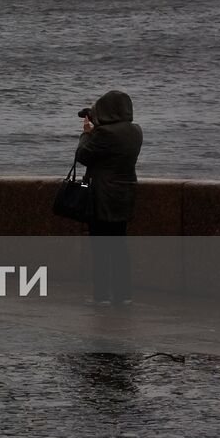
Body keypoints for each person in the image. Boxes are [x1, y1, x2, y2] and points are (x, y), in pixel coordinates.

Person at [76, 89, 143, 305]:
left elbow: (83, 155)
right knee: (120, 246)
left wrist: (87, 132)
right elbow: (110, 152)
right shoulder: (136, 131)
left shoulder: (103, 135)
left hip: (102, 195)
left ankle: (102, 295)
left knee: (101, 247)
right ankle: (124, 295)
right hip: (125, 194)